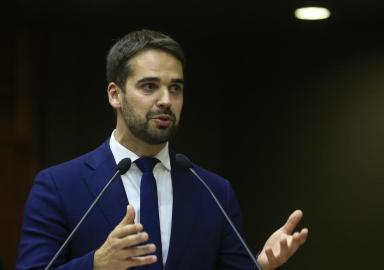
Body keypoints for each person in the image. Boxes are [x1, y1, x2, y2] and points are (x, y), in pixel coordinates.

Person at [16, 29, 308, 270]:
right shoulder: (58, 186)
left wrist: (260, 266)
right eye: (149, 86)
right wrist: (95, 264)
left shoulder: (214, 192)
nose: (166, 100)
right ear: (115, 95)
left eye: (176, 88)